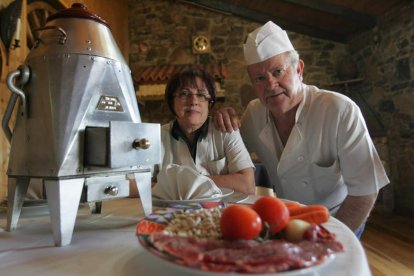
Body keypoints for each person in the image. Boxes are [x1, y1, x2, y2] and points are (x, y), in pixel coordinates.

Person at [214, 21, 389, 235]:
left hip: (338, 219)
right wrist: (221, 117)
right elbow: (226, 156)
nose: (270, 84)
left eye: (278, 71)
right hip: (285, 221)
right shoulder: (253, 114)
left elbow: (366, 191)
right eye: (259, 78)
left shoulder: (339, 110)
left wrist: (331, 237)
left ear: (299, 69)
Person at [155, 68, 255, 195]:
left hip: (221, 210)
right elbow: (135, 186)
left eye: (201, 95)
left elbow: (247, 184)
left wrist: (179, 184)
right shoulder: (156, 137)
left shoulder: (226, 131)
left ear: (210, 103)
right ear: (171, 102)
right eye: (184, 94)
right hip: (171, 212)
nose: (193, 101)